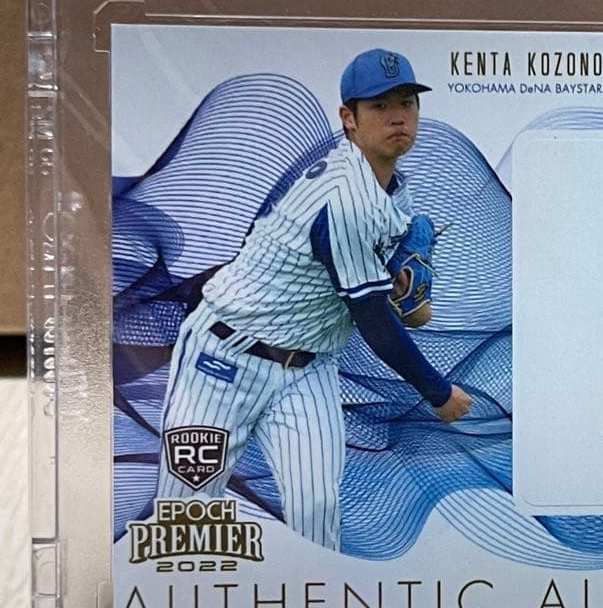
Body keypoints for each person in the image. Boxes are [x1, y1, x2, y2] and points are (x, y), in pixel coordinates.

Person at [155, 48, 471, 550]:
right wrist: (437, 392)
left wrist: (406, 286)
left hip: (309, 367)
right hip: (222, 359)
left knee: (318, 509)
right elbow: (376, 322)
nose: (397, 116)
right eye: (380, 105)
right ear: (349, 118)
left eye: (407, 102)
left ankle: (313, 596)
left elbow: (410, 313)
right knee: (186, 517)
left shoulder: (393, 190)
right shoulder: (343, 198)